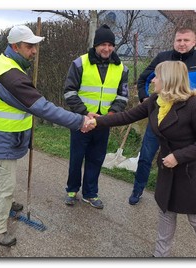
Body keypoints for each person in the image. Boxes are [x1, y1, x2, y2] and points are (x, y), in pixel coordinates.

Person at [90, 61, 196, 257]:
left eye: (157, 76)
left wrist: (178, 156)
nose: (153, 80)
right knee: (166, 214)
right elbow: (125, 117)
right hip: (168, 170)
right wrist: (96, 121)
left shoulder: (194, 105)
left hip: (192, 172)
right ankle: (160, 256)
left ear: (169, 79)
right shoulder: (156, 101)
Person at [0, 25, 91, 247]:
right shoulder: (8, 74)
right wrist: (79, 121)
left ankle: (7, 205)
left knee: (2, 179)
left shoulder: (2, 63)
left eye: (35, 46)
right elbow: (42, 107)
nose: (34, 51)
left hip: (1, 137)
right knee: (4, 184)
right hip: (2, 139)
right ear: (15, 46)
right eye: (29, 46)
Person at [128, 27, 196, 205]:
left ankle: (180, 197)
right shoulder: (163, 58)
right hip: (159, 118)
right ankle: (137, 190)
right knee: (146, 157)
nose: (182, 44)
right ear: (174, 41)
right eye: (178, 40)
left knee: (180, 160)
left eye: (186, 40)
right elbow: (143, 80)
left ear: (194, 42)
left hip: (185, 123)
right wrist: (145, 99)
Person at [63, 24, 129, 209]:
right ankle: (71, 190)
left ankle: (90, 193)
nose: (106, 48)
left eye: (110, 45)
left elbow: (123, 95)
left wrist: (112, 114)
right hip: (81, 119)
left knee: (96, 158)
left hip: (104, 122)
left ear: (114, 47)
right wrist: (84, 112)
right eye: (102, 44)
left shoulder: (122, 68)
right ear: (95, 45)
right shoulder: (79, 63)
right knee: (77, 157)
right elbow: (69, 91)